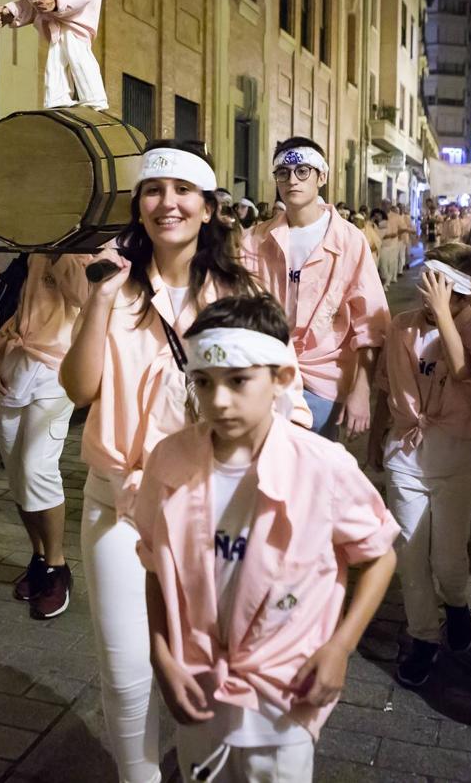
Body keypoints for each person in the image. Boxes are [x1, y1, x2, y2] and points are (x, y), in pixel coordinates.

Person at [60, 139, 270, 783]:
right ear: (138, 205)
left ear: (208, 208)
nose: (167, 203)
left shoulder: (237, 293)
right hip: (118, 501)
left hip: (210, 506)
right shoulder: (112, 285)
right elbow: (78, 387)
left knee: (199, 671)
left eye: (183, 191)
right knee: (126, 674)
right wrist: (99, 299)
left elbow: (266, 400)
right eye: (154, 190)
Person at [135, 294, 399, 783]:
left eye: (238, 381)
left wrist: (340, 647)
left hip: (284, 693)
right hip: (198, 686)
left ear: (280, 377)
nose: (218, 401)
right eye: (203, 382)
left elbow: (378, 556)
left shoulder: (322, 467)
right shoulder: (169, 460)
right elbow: (155, 565)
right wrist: (162, 654)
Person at [367, 243, 471, 686]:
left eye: (443, 291)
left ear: (464, 295)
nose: (429, 297)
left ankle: (457, 601)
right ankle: (423, 635)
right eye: (428, 286)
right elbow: (385, 388)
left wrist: (446, 315)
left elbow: (463, 371)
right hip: (405, 453)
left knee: (447, 558)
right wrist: (374, 444)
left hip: (455, 457)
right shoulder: (401, 327)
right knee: (410, 555)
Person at [0, 239, 91, 618]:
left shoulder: (69, 245)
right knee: (18, 474)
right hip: (6, 372)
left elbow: (88, 296)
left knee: (38, 468)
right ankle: (38, 556)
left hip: (57, 370)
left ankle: (57, 566)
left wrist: (59, 249)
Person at [242, 137, 389, 438]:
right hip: (266, 371)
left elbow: (370, 325)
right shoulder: (254, 239)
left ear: (322, 176)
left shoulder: (349, 240)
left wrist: (361, 391)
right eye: (283, 172)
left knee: (315, 474)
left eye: (302, 171)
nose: (292, 180)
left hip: (323, 380)